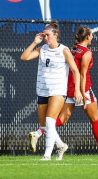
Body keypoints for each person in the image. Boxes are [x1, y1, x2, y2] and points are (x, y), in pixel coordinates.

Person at [28, 26, 98, 158]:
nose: (92, 37)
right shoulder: (86, 52)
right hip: (83, 89)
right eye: (91, 35)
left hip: (69, 88)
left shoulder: (73, 49)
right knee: (95, 119)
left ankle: (38, 132)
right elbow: (82, 75)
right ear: (87, 37)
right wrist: (83, 94)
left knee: (61, 120)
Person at [21, 21, 83, 160]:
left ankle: (47, 155)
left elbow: (75, 71)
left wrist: (78, 91)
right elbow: (24, 57)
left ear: (55, 35)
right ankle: (61, 145)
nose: (45, 37)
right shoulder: (42, 48)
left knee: (50, 122)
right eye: (44, 35)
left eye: (47, 35)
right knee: (44, 126)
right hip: (42, 90)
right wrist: (34, 42)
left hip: (58, 90)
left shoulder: (64, 50)